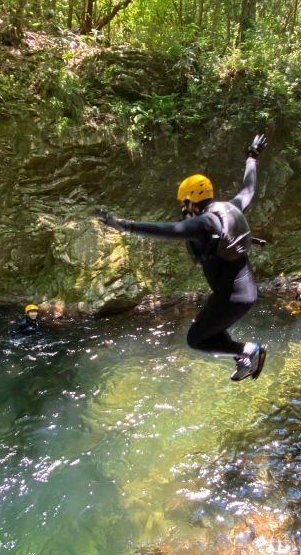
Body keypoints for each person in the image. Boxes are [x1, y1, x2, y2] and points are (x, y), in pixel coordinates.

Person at [95, 134, 269, 381]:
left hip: (232, 298)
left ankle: (245, 351)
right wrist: (252, 155)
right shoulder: (230, 208)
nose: (183, 209)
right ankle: (242, 355)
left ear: (191, 200)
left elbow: (170, 231)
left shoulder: (204, 223)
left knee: (196, 339)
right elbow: (249, 188)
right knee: (210, 332)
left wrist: (125, 226)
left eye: (184, 203)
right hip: (243, 293)